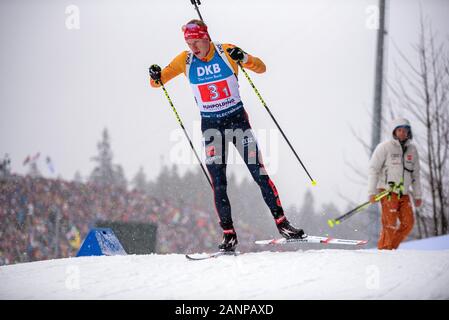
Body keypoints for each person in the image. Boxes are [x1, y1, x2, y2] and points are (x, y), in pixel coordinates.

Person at [149, 19, 305, 251]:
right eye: (189, 43)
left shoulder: (226, 52)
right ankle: (228, 234)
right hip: (212, 126)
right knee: (218, 183)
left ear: (206, 37)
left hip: (237, 122)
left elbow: (261, 68)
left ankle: (283, 224)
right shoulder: (185, 60)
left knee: (259, 173)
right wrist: (155, 74)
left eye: (196, 42)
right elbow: (157, 83)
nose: (193, 48)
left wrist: (244, 58)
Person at [368, 118, 422, 250]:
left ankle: (389, 248)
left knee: (408, 223)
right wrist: (371, 192)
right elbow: (373, 169)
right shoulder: (384, 147)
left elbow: (416, 174)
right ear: (394, 131)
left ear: (409, 132)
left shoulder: (412, 150)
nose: (403, 133)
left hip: (404, 193)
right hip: (387, 191)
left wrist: (417, 195)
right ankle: (385, 250)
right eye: (400, 130)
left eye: (405, 130)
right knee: (389, 223)